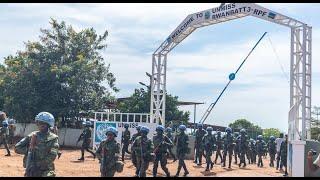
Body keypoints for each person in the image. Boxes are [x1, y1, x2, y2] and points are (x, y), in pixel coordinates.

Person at [14, 112, 59, 177]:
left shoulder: (53, 138)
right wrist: (30, 150)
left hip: (46, 169)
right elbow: (17, 148)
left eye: (43, 123)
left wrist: (37, 165)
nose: (40, 125)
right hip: (31, 169)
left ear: (48, 125)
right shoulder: (32, 135)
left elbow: (52, 156)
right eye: (39, 123)